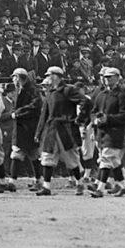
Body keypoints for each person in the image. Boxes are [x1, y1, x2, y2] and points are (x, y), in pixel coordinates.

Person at [33, 66, 86, 196]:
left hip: (66, 130)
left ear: (56, 76)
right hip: (51, 130)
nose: (47, 78)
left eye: (48, 75)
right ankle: (46, 187)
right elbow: (44, 115)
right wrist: (38, 133)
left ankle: (79, 183)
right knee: (47, 157)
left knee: (71, 159)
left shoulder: (68, 90)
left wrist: (79, 119)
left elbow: (85, 101)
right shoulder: (50, 93)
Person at [87, 67, 125, 197]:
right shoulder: (101, 95)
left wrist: (109, 118)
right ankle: (124, 186)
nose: (107, 79)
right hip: (102, 131)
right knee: (113, 161)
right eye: (106, 77)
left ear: (118, 78)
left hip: (115, 131)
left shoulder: (121, 96)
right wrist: (95, 120)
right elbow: (94, 111)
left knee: (106, 159)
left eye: (111, 77)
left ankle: (100, 188)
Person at [8, 68, 42, 191]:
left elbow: (35, 106)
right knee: (17, 154)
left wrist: (18, 113)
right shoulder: (18, 90)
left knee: (32, 155)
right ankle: (12, 182)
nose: (13, 80)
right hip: (21, 128)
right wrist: (15, 113)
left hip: (30, 128)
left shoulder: (32, 90)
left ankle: (39, 181)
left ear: (19, 77)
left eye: (14, 77)